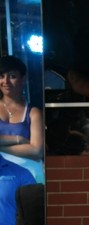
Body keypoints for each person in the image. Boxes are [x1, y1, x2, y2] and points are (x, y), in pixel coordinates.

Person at [0, 55, 44, 183]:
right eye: (1, 76)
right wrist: (19, 140)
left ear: (23, 79)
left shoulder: (34, 113)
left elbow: (37, 150)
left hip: (29, 176)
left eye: (12, 76)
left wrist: (1, 149)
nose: (6, 81)